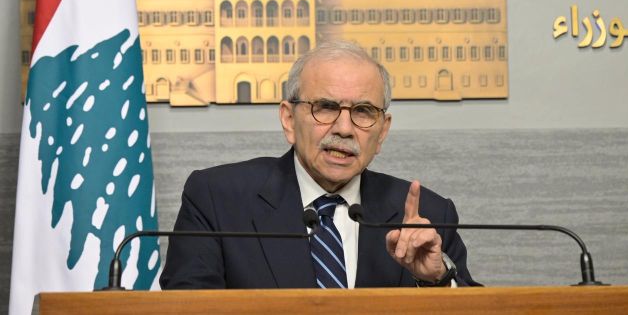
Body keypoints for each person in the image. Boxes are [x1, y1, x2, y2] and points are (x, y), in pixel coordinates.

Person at [160, 40, 478, 289]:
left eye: (363, 111)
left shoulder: (429, 216)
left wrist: (437, 280)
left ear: (382, 131)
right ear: (288, 119)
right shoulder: (217, 200)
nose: (344, 128)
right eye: (325, 108)